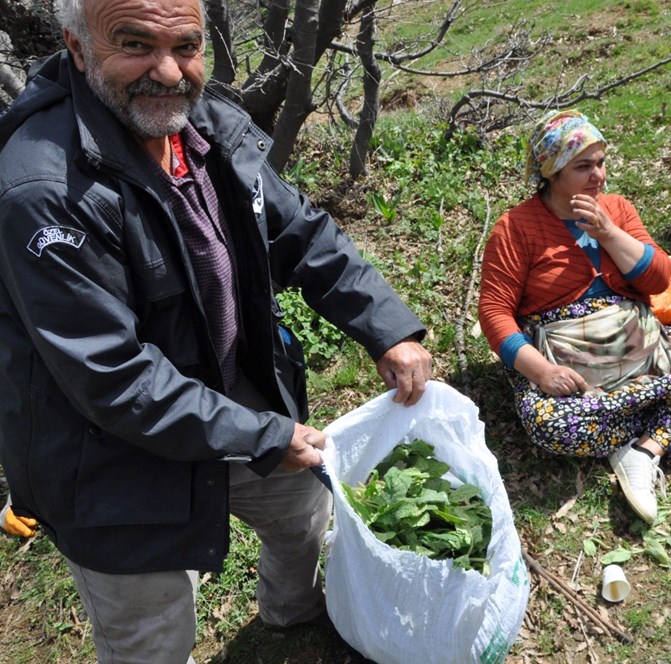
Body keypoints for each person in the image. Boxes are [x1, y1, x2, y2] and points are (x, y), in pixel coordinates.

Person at [0, 0, 433, 661]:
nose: (168, 72)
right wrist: (265, 434)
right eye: (136, 44)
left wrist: (387, 327)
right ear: (78, 48)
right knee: (152, 635)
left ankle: (291, 614)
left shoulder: (202, 123)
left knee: (301, 518)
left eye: (187, 45)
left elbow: (299, 232)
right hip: (109, 460)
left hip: (231, 397)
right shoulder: (43, 190)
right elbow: (115, 380)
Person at [478, 109, 671, 525]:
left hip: (639, 344)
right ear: (551, 172)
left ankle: (644, 448)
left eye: (601, 162)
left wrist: (608, 233)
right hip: (568, 360)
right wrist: (542, 372)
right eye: (583, 167)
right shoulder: (515, 228)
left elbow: (657, 280)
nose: (598, 176)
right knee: (547, 423)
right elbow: (495, 312)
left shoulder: (617, 210)